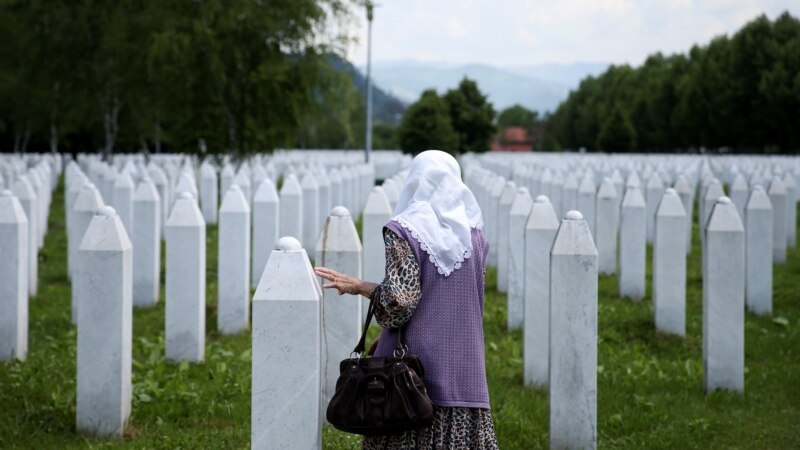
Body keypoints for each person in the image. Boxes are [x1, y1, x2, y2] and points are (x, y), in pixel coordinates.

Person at [315, 150, 498, 449]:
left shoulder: (405, 230)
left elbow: (400, 303)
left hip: (411, 377)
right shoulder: (475, 236)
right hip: (465, 371)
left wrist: (362, 287)